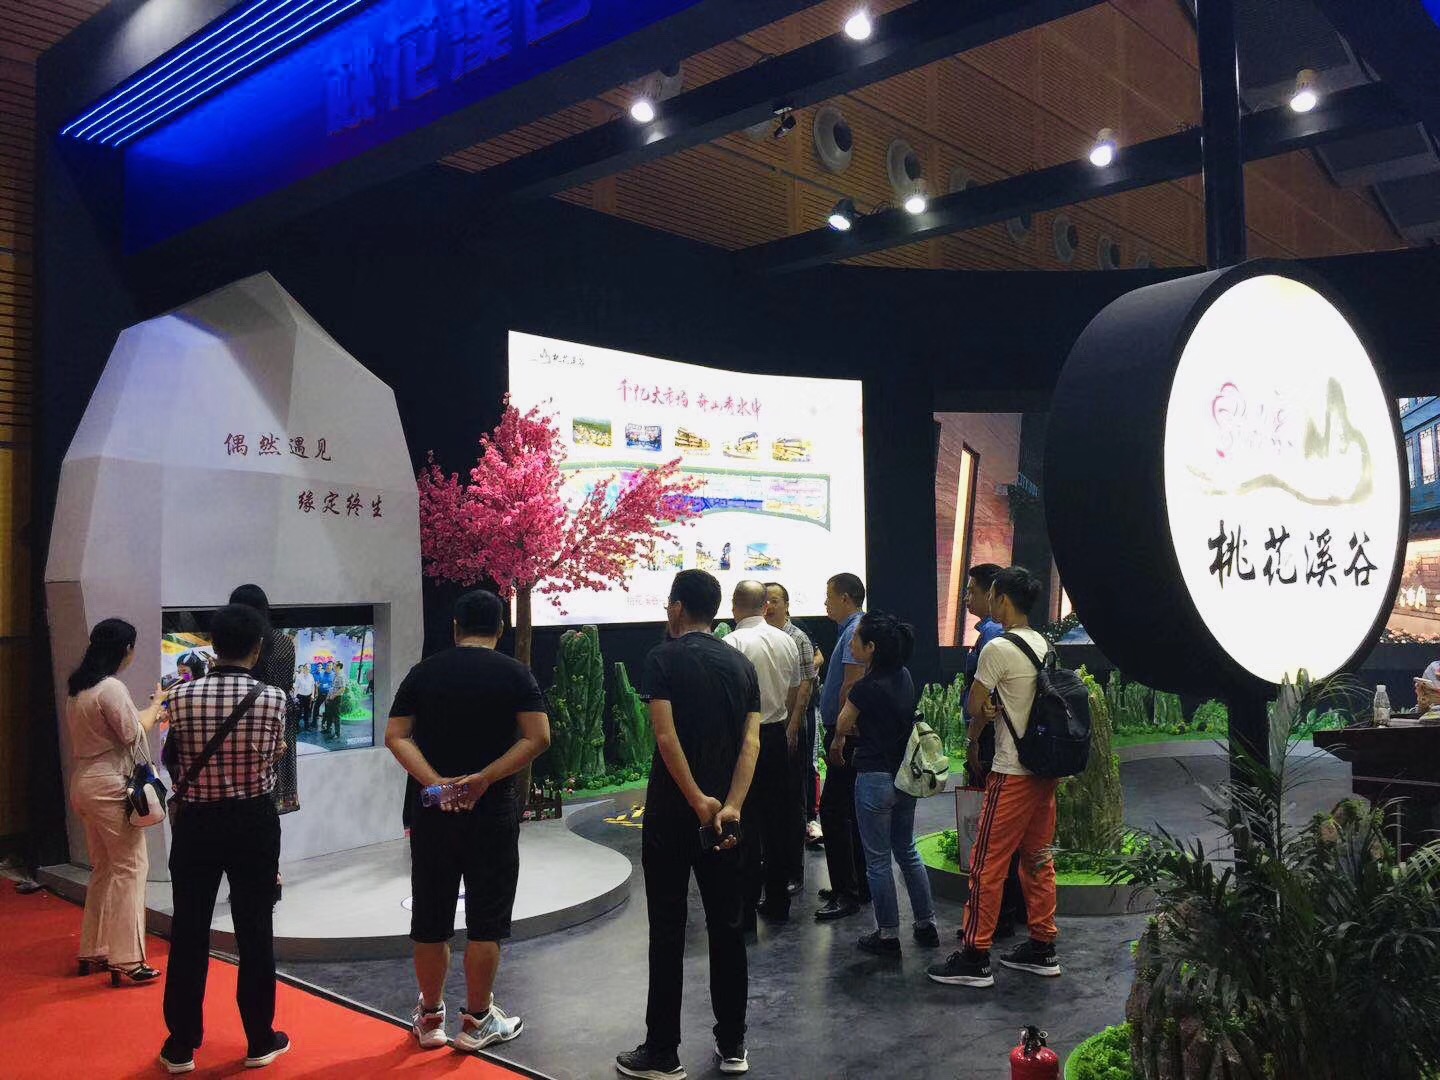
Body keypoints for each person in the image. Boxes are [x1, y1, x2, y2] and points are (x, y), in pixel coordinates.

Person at [386, 589, 550, 1054]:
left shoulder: (424, 672)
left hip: (433, 812)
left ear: (455, 626)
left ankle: (430, 1019)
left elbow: (396, 735)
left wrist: (438, 784)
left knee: (430, 915)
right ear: (501, 628)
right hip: (492, 810)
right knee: (486, 919)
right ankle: (477, 1021)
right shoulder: (515, 673)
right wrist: (483, 779)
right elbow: (538, 737)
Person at [616, 570, 761, 1080]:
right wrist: (731, 805)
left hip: (672, 817)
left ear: (678, 608)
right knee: (728, 927)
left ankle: (662, 1051)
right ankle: (733, 1043)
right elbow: (751, 742)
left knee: (667, 929)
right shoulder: (741, 664)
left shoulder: (663, 658)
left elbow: (665, 736)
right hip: (726, 819)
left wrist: (697, 799)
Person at [160, 603, 291, 1073]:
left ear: (213, 646)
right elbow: (272, 756)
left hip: (196, 822)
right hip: (253, 821)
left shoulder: (179, 696)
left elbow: (173, 756)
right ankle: (259, 1038)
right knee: (255, 929)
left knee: (189, 929)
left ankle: (181, 1044)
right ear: (257, 649)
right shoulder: (273, 697)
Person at [928, 566, 1061, 990]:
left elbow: (974, 705)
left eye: (987, 595)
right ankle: (1042, 946)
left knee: (987, 863)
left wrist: (978, 722)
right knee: (1038, 859)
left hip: (1011, 770)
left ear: (1002, 598)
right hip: (1044, 771)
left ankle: (975, 955)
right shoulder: (1044, 644)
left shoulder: (998, 648)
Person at [65, 618, 168, 984]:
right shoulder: (111, 687)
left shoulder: (79, 688)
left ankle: (94, 948)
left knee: (105, 869)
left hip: (85, 783)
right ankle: (127, 958)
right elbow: (131, 733)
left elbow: (124, 726)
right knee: (131, 867)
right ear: (126, 649)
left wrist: (152, 709)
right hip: (110, 785)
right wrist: (157, 708)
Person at [831, 612, 939, 955]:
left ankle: (888, 934)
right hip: (905, 775)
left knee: (877, 860)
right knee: (907, 850)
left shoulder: (865, 688)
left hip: (874, 777)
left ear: (872, 648)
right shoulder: (904, 676)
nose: (852, 643)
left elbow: (843, 724)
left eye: (857, 640)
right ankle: (926, 924)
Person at [724, 580, 802, 925]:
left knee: (745, 822)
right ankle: (778, 901)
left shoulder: (732, 643)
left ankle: (745, 908)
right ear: (765, 605)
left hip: (745, 739)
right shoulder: (787, 640)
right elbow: (794, 690)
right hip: (776, 736)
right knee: (777, 822)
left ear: (734, 605)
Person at [960, 563, 1028, 941]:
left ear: (995, 596)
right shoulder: (1028, 640)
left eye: (973, 590)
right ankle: (1014, 913)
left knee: (993, 843)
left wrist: (973, 740)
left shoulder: (994, 639)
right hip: (1012, 751)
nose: (967, 597)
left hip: (995, 746)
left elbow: (982, 704)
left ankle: (991, 924)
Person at [815, 572, 869, 921]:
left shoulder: (854, 632)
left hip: (846, 734)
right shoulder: (852, 630)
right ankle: (857, 884)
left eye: (829, 596)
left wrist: (839, 735)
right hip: (847, 732)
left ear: (845, 598)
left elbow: (851, 687)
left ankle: (846, 892)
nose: (826, 603)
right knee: (848, 810)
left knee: (835, 813)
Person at [762, 581, 818, 891]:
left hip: (793, 725)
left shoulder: (798, 638)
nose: (769, 606)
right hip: (768, 728)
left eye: (774, 600)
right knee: (769, 800)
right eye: (765, 601)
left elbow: (805, 685)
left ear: (786, 605)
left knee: (793, 800)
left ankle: (794, 871)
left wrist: (794, 724)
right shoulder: (761, 637)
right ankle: (771, 865)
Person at [230, 585, 298, 815]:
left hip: (243, 715)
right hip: (280, 715)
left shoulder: (238, 642)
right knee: (270, 788)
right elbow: (286, 683)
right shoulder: (284, 642)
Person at [294, 664, 315, 732]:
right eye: (306, 667)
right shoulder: (299, 676)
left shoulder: (311, 676)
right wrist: (295, 697)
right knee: (298, 712)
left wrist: (312, 695)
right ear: (303, 668)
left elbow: (313, 686)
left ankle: (307, 726)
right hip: (300, 697)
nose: (307, 669)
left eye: (309, 668)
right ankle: (296, 727)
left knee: (307, 712)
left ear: (310, 669)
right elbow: (296, 687)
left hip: (308, 697)